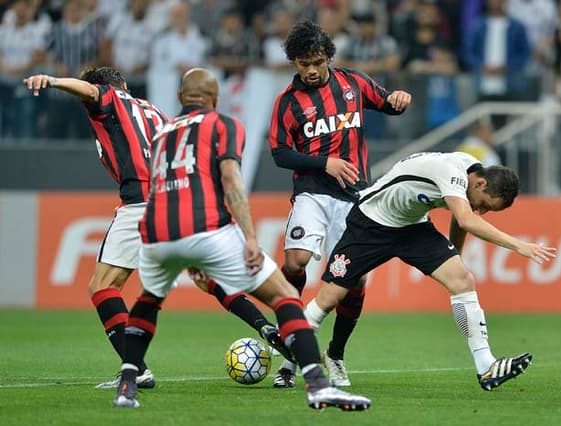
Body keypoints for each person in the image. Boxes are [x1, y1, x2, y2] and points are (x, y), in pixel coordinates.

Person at [111, 68, 371, 411]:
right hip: (207, 228)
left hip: (156, 233)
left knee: (148, 299)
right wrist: (250, 237)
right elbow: (231, 181)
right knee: (283, 295)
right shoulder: (224, 125)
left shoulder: (160, 135)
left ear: (179, 99)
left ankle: (128, 385)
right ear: (216, 100)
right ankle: (318, 385)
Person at [22, 67, 288, 390]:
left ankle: (135, 368)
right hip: (177, 201)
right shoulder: (156, 112)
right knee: (207, 279)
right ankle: (267, 329)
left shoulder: (111, 98)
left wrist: (52, 81)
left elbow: (92, 93)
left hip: (140, 201)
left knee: (103, 286)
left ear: (110, 87)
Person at [302, 151, 557, 391]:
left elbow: (462, 218)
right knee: (329, 299)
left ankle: (486, 366)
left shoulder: (468, 177)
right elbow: (468, 219)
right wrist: (518, 245)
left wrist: (452, 256)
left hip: (413, 227)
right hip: (371, 222)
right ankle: (293, 350)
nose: (482, 211)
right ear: (480, 184)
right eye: (485, 205)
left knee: (462, 279)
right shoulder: (451, 171)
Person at [268, 20, 412, 388]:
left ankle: (335, 354)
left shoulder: (353, 83)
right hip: (312, 193)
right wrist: (324, 163)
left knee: (355, 280)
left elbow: (386, 103)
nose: (312, 70)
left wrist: (398, 100)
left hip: (354, 197)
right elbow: (280, 153)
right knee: (295, 261)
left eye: (317, 61)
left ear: (328, 57)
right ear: (294, 63)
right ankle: (292, 339)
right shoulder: (287, 103)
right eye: (304, 64)